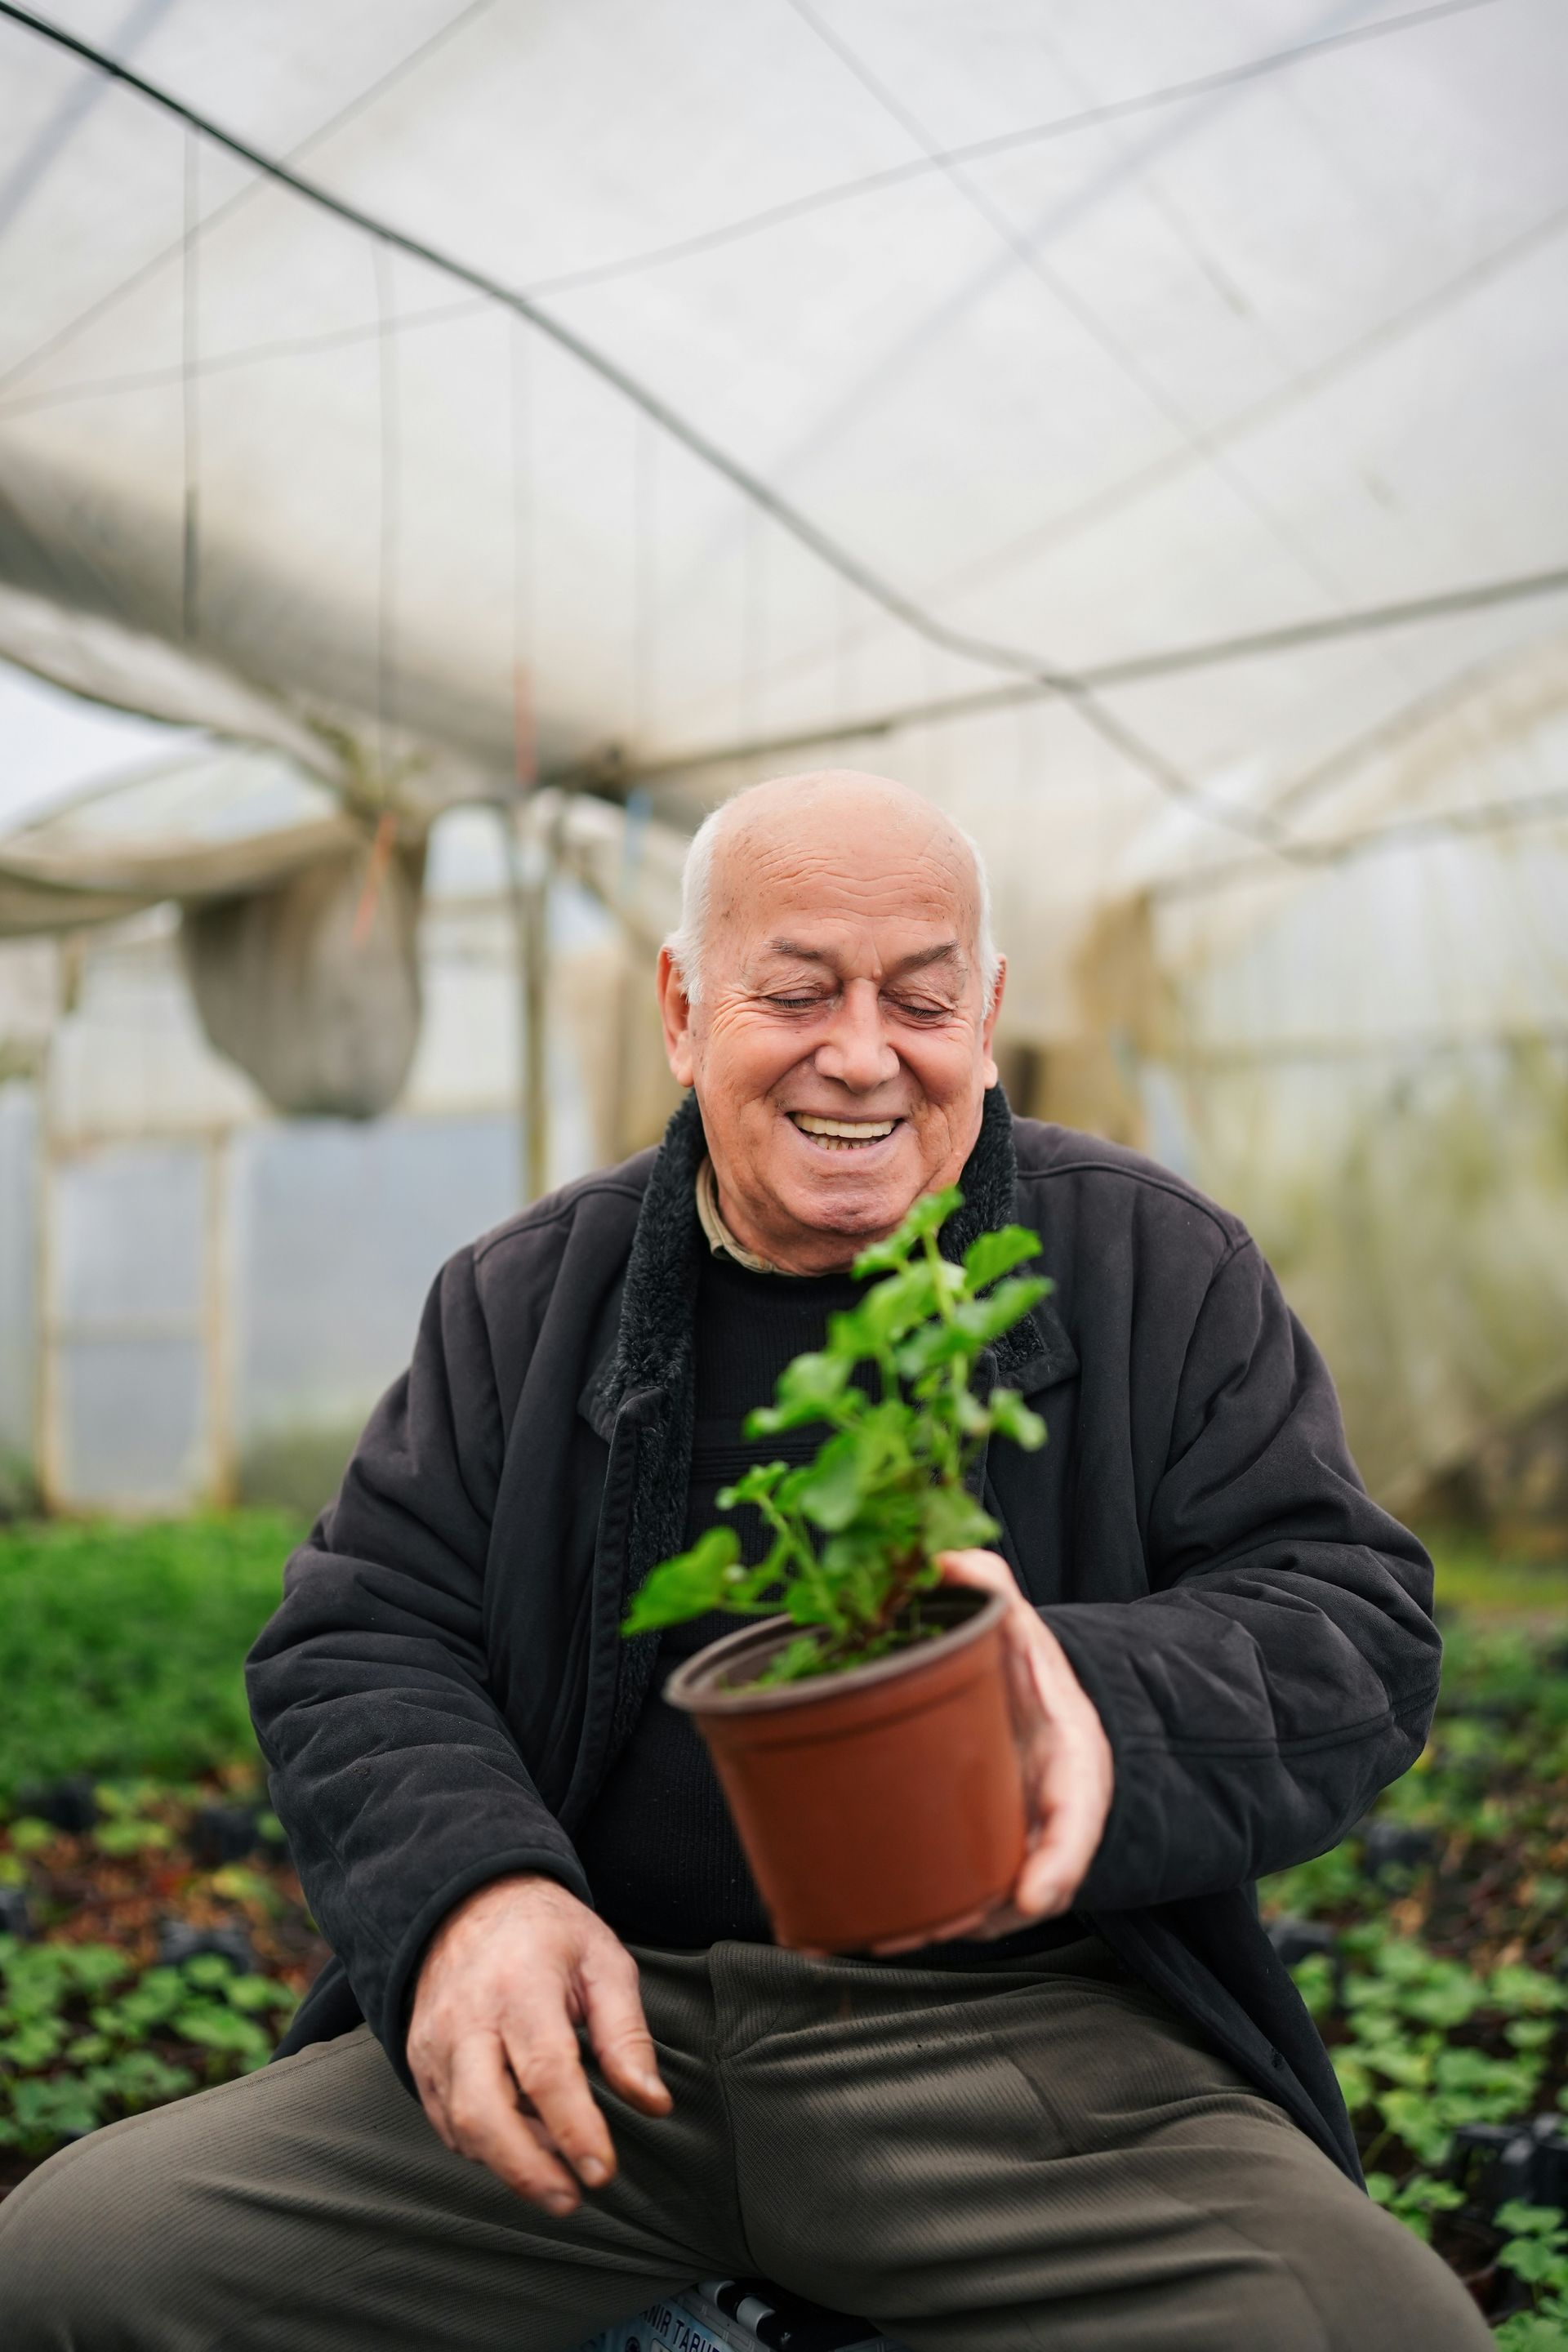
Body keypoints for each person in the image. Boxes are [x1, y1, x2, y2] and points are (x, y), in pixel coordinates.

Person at [0, 771, 1491, 2351]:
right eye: (794, 993)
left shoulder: (1147, 1266)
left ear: (985, 1014)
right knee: (79, 2265)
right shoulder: (525, 1300)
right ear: (683, 1009)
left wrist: (1090, 1698)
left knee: (1367, 2328)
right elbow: (364, 1632)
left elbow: (1351, 1617)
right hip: (597, 2040)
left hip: (1031, 2057)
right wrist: (474, 1897)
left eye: (920, 1000)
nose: (861, 1054)